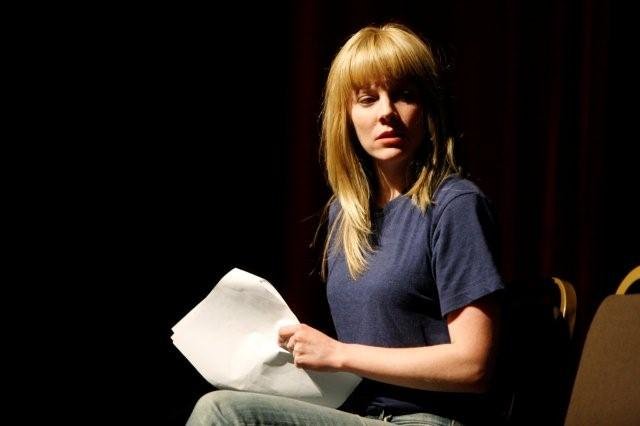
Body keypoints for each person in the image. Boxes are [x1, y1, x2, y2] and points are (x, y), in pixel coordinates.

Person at [187, 23, 505, 425]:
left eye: (405, 95)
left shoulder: (454, 205)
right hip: (366, 415)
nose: (387, 112)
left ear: (428, 109)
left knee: (222, 412)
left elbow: (474, 366)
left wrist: (338, 354)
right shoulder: (346, 214)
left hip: (430, 420)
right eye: (368, 99)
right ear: (348, 117)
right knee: (225, 405)